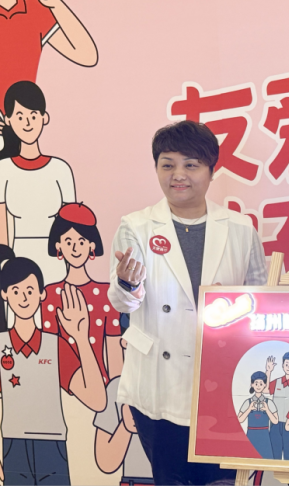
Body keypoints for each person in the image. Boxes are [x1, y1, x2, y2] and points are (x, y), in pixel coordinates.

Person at [108, 120, 267, 486]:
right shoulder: (136, 226)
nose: (178, 175)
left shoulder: (240, 228)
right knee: (171, 479)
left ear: (211, 170)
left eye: (190, 164)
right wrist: (128, 283)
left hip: (223, 381)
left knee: (222, 480)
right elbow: (123, 303)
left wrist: (238, 310)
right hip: (157, 383)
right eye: (167, 165)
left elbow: (261, 297)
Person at [0, 248, 106, 485]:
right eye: (16, 291)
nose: (24, 298)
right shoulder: (1, 345)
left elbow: (97, 401)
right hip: (13, 444)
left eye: (30, 290)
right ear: (4, 294)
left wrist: (81, 338)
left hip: (52, 445)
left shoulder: (55, 345)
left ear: (41, 294)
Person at [0, 81, 76, 285]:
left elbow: (71, 224)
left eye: (33, 115)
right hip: (18, 261)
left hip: (56, 261)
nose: (27, 123)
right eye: (20, 116)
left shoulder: (61, 169)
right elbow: (2, 231)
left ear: (44, 117)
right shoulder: (3, 170)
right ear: (8, 120)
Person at [42, 203, 123, 384]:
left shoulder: (106, 294)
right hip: (61, 385)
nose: (75, 248)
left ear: (91, 245)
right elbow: (49, 350)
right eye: (68, 242)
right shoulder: (50, 294)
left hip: (101, 383)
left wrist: (115, 392)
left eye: (81, 242)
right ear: (58, 246)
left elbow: (114, 353)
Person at [94, 333, 154, 485]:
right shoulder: (116, 388)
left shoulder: (176, 387)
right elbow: (105, 462)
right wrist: (125, 428)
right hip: (133, 480)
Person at [265, 352, 289, 460]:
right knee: (275, 452)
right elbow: (266, 390)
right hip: (276, 423)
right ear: (282, 365)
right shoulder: (277, 382)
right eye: (286, 364)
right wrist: (268, 371)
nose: (288, 367)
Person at [237, 371, 279, 460]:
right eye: (256, 383)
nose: (258, 386)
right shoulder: (248, 402)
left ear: (265, 385)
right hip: (251, 435)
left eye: (261, 383)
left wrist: (267, 410)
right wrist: (249, 409)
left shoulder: (269, 402)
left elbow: (275, 421)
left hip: (264, 436)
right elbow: (240, 419)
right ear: (252, 384)